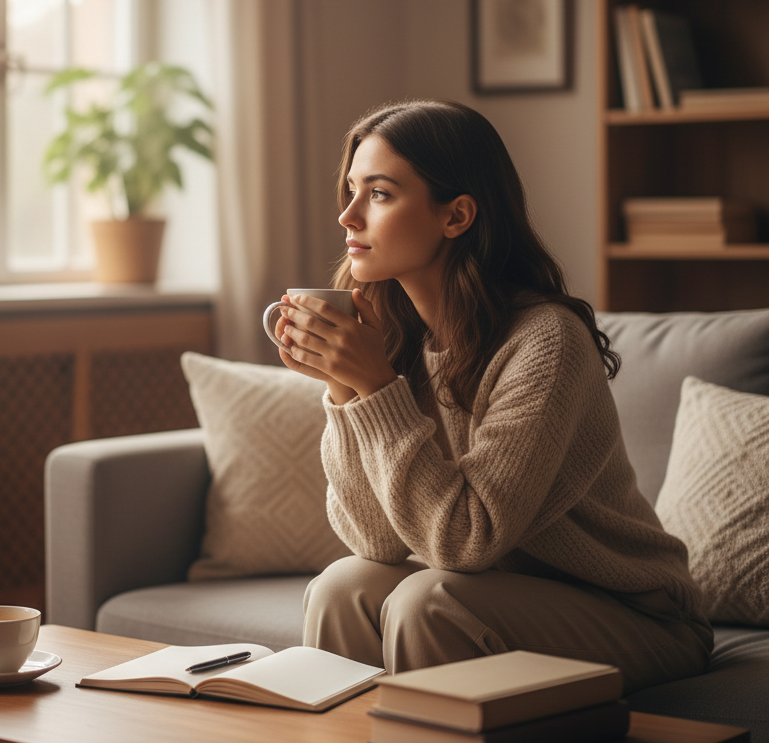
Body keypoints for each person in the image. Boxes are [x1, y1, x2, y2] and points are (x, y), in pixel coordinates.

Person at [273, 100, 711, 693]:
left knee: (431, 602)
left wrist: (376, 389)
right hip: (504, 591)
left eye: (378, 194)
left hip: (637, 613)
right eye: (351, 191)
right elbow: (375, 541)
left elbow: (465, 541)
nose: (347, 215)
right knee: (342, 587)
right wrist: (346, 389)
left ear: (456, 216)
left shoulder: (546, 342)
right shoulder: (396, 336)